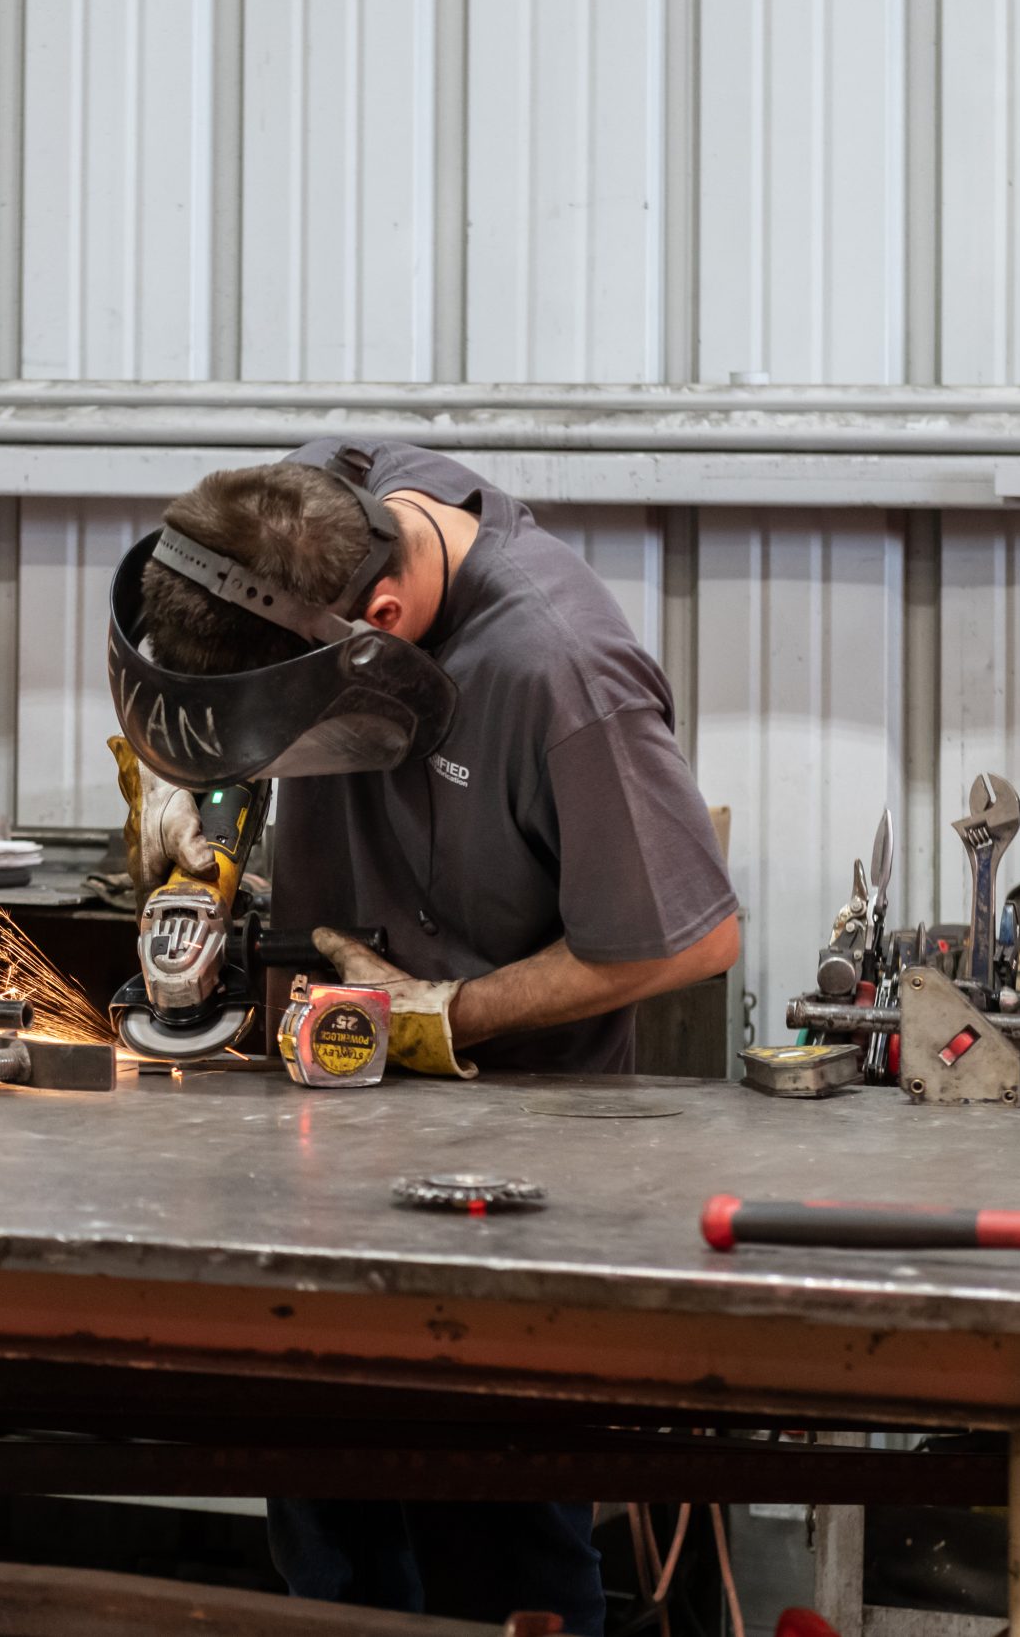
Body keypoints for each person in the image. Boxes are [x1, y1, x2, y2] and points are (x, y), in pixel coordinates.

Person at [106, 438, 740, 1628]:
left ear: (379, 624)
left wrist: (443, 1015)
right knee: (327, 1535)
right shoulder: (311, 513)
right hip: (318, 1136)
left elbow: (687, 938)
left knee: (491, 1538)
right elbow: (228, 615)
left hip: (512, 1173)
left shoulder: (562, 670)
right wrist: (201, 778)